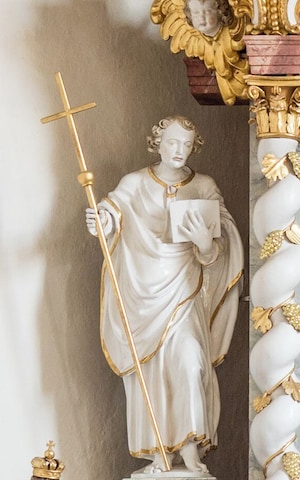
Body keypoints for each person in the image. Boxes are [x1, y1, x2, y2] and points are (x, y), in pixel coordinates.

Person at [84, 115, 243, 475]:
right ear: (157, 142)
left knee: (190, 364)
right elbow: (113, 214)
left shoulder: (203, 187)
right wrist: (101, 221)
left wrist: (206, 244)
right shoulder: (135, 183)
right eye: (172, 142)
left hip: (185, 295)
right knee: (151, 372)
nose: (179, 151)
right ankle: (159, 454)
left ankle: (189, 450)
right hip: (142, 296)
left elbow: (219, 248)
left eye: (187, 145)